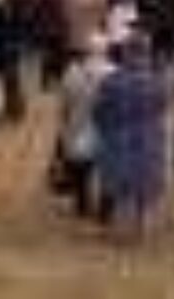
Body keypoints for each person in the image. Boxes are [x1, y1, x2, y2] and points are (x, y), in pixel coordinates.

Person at [92, 31, 168, 239]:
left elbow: (99, 110)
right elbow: (162, 106)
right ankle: (143, 225)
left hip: (118, 137)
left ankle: (120, 228)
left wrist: (103, 126)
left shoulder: (111, 81)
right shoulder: (156, 80)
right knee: (145, 184)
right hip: (148, 137)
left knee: (119, 186)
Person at [55, 33, 112, 218]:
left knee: (81, 169)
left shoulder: (72, 72)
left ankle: (83, 204)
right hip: (105, 127)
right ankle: (105, 207)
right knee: (105, 170)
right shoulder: (112, 72)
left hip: (78, 126)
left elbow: (64, 104)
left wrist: (64, 126)